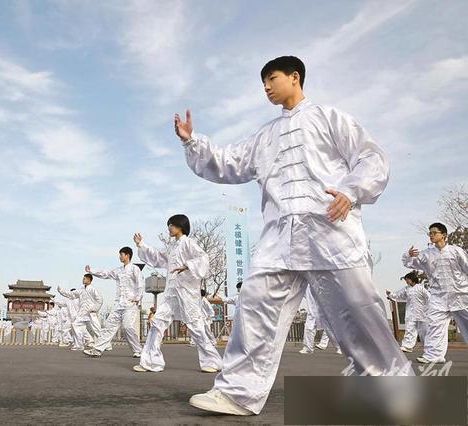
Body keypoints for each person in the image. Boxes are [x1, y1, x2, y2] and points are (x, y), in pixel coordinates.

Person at [177, 56, 413, 415]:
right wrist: (193, 143)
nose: (266, 87)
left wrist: (351, 191)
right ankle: (238, 393)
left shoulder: (328, 118)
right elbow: (228, 162)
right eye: (263, 82)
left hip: (329, 231)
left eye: (271, 78)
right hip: (279, 238)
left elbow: (371, 158)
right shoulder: (265, 135)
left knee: (358, 312)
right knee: (254, 305)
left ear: (294, 77)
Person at [131, 214, 223, 373]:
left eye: (172, 225)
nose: (169, 228)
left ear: (181, 226)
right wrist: (142, 245)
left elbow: (203, 258)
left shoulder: (188, 243)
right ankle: (151, 362)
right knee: (157, 322)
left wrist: (187, 266)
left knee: (196, 327)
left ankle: (212, 362)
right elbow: (158, 257)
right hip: (171, 292)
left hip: (186, 292)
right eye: (169, 225)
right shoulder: (172, 247)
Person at [402, 222, 468, 364]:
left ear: (443, 235)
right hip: (439, 297)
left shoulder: (456, 251)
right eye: (430, 233)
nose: (431, 235)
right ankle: (433, 355)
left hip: (460, 294)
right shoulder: (426, 254)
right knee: (434, 325)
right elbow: (408, 263)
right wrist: (408, 255)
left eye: (434, 233)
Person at [83, 247, 144, 358]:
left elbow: (140, 283)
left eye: (121, 254)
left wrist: (138, 297)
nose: (120, 257)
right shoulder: (119, 270)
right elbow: (106, 273)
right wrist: (92, 271)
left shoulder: (134, 269)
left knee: (127, 327)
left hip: (130, 304)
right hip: (118, 304)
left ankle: (138, 350)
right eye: (120, 254)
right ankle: (97, 349)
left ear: (128, 255)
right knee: (109, 326)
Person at [386, 271, 429, 353]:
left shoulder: (421, 288)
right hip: (411, 313)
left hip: (422, 313)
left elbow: (429, 298)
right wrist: (390, 294)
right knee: (409, 329)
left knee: (424, 331)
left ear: (412, 279)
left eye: (407, 279)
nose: (406, 281)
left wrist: (429, 309)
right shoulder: (406, 289)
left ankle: (428, 347)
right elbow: (398, 294)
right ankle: (407, 346)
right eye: (406, 280)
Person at [59, 273, 103, 351]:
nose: (83, 280)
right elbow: (71, 294)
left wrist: (95, 309)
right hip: (82, 313)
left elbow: (100, 299)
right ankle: (79, 345)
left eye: (84, 278)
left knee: (96, 328)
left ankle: (104, 344)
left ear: (89, 280)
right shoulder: (81, 290)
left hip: (91, 312)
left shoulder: (92, 289)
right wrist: (61, 291)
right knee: (75, 325)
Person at [299, 287, 341, 355]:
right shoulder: (307, 287)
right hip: (312, 312)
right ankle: (308, 348)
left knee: (329, 331)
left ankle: (339, 347)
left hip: (324, 311)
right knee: (308, 328)